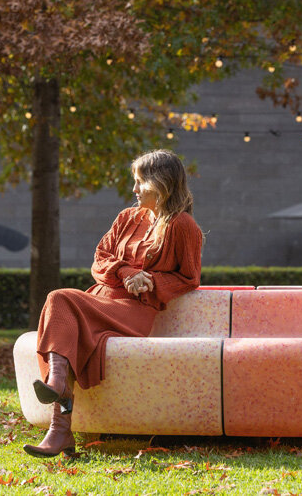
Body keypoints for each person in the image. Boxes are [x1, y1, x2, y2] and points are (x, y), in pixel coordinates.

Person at [23, 149, 203, 458]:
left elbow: (189, 278)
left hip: (134, 312)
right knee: (67, 322)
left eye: (139, 182)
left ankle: (57, 390)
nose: (134, 190)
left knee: (59, 298)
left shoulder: (183, 226)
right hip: (101, 301)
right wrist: (127, 271)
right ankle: (60, 429)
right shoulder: (126, 218)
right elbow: (100, 260)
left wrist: (151, 282)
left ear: (162, 183)